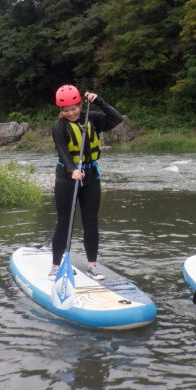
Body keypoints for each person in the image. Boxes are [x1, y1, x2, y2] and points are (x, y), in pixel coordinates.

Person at [49, 85, 123, 281]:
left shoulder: (93, 117)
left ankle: (92, 266)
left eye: (74, 108)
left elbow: (117, 119)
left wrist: (99, 101)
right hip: (67, 178)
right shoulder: (59, 127)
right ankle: (57, 266)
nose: (71, 113)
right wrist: (72, 170)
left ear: (79, 105)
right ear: (61, 111)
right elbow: (63, 152)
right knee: (65, 222)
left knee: (91, 222)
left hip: (90, 177)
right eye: (66, 110)